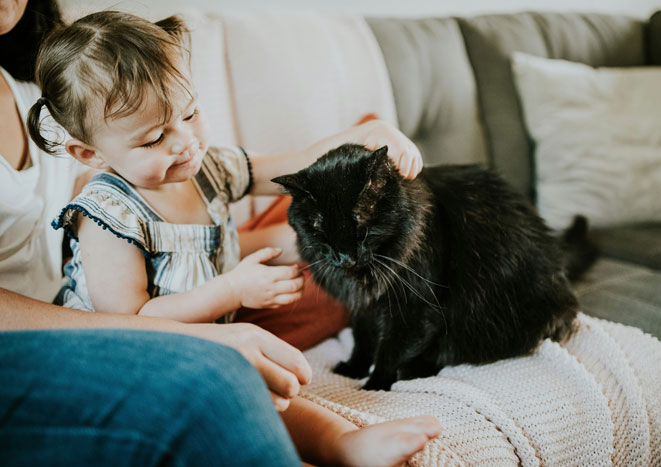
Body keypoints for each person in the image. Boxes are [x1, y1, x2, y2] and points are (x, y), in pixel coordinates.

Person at [5, 5, 440, 467]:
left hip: (206, 336)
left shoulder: (207, 166)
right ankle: (337, 444)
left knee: (264, 383)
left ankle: (345, 441)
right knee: (246, 386)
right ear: (89, 153)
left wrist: (364, 136)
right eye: (153, 138)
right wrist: (231, 289)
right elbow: (137, 318)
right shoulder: (106, 218)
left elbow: (296, 165)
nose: (184, 142)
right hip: (127, 352)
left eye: (190, 113)